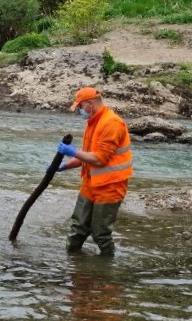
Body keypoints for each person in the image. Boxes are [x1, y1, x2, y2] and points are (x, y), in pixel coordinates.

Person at [57, 87, 134, 256]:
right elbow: (87, 155)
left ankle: (106, 270)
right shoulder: (92, 122)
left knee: (100, 234)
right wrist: (63, 166)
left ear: (90, 104)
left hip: (110, 186)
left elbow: (100, 159)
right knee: (77, 228)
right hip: (91, 182)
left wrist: (73, 152)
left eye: (80, 106)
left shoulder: (112, 123)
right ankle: (72, 264)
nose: (79, 111)